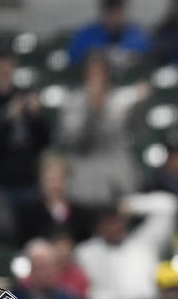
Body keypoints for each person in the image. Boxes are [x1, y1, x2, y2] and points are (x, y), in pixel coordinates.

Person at [59, 51, 150, 206]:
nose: (96, 77)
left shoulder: (120, 100)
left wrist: (140, 106)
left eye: (100, 72)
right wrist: (92, 109)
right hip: (86, 179)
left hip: (118, 176)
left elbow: (139, 133)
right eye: (91, 72)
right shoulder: (73, 102)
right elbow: (75, 141)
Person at [0, 40, 50, 203]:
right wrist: (8, 119)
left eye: (7, 60)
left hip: (28, 181)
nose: (3, 67)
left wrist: (36, 118)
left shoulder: (25, 94)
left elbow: (44, 141)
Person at [74, 191, 178, 299]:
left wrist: (130, 205)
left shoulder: (144, 243)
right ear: (99, 226)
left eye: (117, 221)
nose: (113, 227)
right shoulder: (86, 253)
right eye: (108, 223)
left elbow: (169, 206)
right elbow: (83, 291)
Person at [16, 152, 94, 245]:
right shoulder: (29, 212)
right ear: (41, 181)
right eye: (50, 180)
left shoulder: (80, 214)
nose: (55, 185)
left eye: (59, 179)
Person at [67, 0, 150, 67]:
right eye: (111, 12)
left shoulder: (136, 34)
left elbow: (148, 57)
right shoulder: (87, 35)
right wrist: (90, 56)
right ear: (104, 13)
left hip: (129, 83)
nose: (114, 17)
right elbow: (73, 57)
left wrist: (133, 58)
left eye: (118, 12)